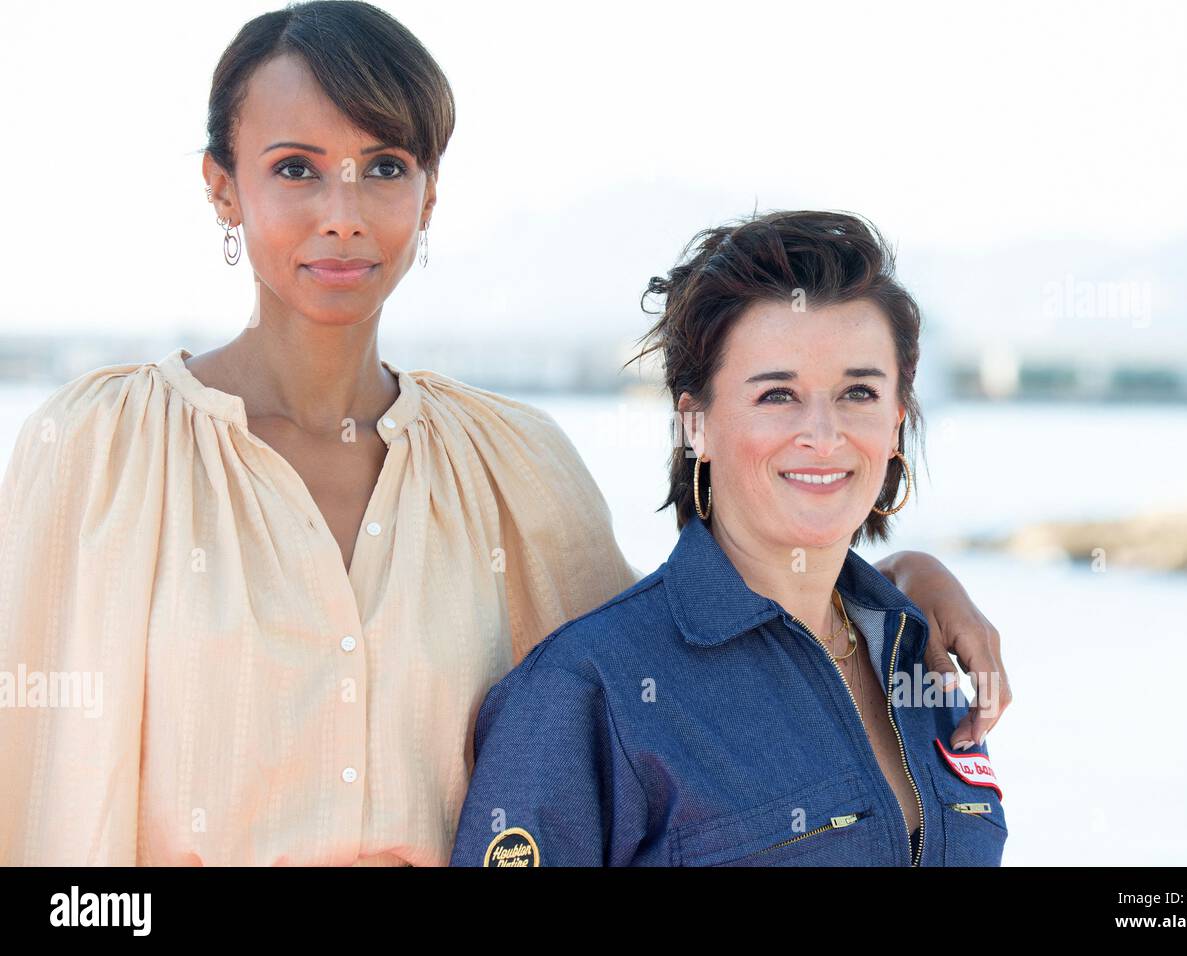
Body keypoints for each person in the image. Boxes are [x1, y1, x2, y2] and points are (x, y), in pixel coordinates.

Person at [0, 3, 1007, 866]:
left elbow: (690, 653)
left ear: (430, 193)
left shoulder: (511, 469)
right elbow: (41, 805)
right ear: (223, 187)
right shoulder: (101, 456)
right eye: (296, 167)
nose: (343, 213)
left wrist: (906, 579)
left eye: (383, 166)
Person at [450, 210, 1009, 866]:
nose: (823, 435)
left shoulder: (927, 658)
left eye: (858, 391)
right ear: (697, 426)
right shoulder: (587, 692)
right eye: (777, 396)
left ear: (897, 422)